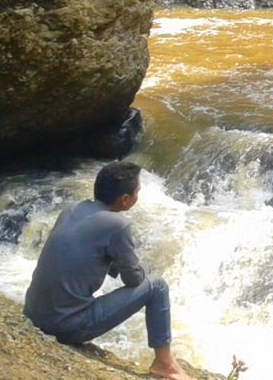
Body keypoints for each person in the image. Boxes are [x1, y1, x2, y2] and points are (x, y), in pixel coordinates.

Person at [24, 162, 190, 380]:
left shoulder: (71, 209)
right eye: (138, 191)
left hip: (33, 314)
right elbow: (133, 279)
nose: (138, 195)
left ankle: (164, 363)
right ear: (125, 199)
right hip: (66, 326)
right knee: (157, 286)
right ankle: (164, 364)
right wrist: (135, 266)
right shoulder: (118, 225)